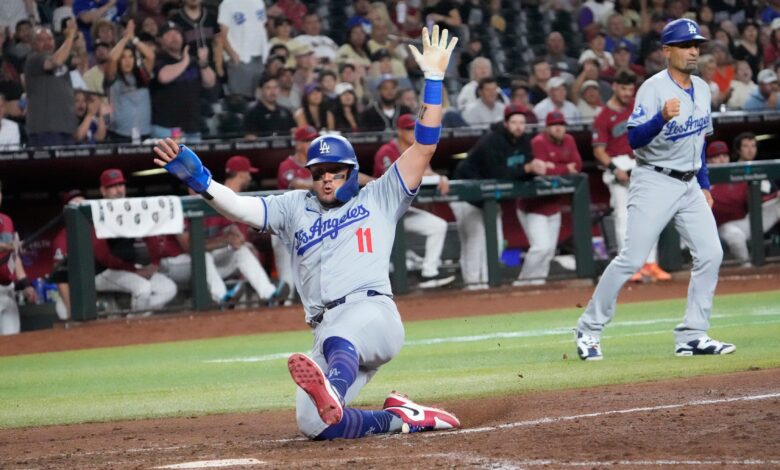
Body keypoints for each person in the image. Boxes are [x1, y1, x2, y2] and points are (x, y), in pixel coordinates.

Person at [154, 25, 461, 440]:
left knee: (339, 340)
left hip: (373, 316)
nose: (326, 179)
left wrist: (435, 81)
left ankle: (332, 387)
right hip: (326, 328)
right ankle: (403, 420)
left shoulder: (380, 196)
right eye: (318, 173)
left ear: (352, 172)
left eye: (335, 171)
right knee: (315, 425)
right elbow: (242, 208)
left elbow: (424, 146)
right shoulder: (295, 206)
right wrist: (204, 183)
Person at [575, 19, 734, 361]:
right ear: (667, 51)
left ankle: (692, 335)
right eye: (686, 45)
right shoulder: (652, 88)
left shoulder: (704, 89)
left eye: (696, 46)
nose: (693, 51)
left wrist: (704, 184)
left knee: (711, 253)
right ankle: (588, 330)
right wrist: (660, 117)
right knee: (632, 258)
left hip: (689, 183)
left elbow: (701, 142)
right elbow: (634, 139)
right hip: (654, 179)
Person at [451, 106, 551, 289]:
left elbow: (524, 169)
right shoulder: (492, 140)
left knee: (496, 241)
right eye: (514, 122)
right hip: (466, 194)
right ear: (506, 123)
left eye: (522, 123)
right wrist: (526, 169)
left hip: (489, 199)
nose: (519, 127)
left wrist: (533, 170)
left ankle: (488, 282)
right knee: (475, 241)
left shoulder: (524, 141)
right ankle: (473, 286)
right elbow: (497, 174)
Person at [591, 70, 670, 282]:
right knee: (624, 219)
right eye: (623, 88)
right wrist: (614, 169)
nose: (627, 93)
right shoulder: (603, 116)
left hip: (641, 163)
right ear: (614, 86)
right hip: (619, 166)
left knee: (651, 215)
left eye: (630, 89)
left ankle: (650, 263)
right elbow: (598, 150)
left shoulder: (639, 105)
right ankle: (629, 267)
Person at [373, 114, 455, 288]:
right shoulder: (386, 151)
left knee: (438, 225)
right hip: (380, 213)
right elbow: (394, 178)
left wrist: (439, 177)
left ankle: (429, 273)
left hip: (403, 211)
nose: (413, 132)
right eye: (409, 129)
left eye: (415, 128)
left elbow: (428, 173)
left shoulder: (419, 150)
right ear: (399, 131)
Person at [203, 156, 288, 306]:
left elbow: (239, 239)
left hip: (224, 257)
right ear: (241, 174)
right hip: (199, 264)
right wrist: (225, 240)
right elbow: (194, 246)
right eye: (248, 173)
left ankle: (269, 295)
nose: (250, 177)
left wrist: (243, 243)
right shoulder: (213, 198)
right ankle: (223, 298)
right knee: (203, 256)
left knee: (242, 250)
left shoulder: (243, 201)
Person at [93, 169, 178, 314]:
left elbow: (151, 237)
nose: (118, 190)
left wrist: (154, 264)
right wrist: (135, 271)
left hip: (129, 269)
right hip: (102, 272)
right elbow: (103, 256)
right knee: (143, 289)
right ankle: (133, 326)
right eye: (112, 186)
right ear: (103, 191)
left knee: (168, 288)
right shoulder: (96, 212)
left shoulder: (132, 209)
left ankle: (134, 319)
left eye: (121, 185)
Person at [514, 111, 582, 286]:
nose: (558, 128)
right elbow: (543, 172)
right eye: (554, 125)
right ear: (547, 127)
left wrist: (556, 167)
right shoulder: (538, 142)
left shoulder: (569, 140)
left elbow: (578, 165)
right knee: (540, 247)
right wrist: (566, 167)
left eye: (561, 124)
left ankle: (538, 284)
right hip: (533, 205)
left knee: (549, 251)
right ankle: (523, 283)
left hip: (554, 204)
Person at [150, 21, 216, 142]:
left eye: (177, 33)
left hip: (192, 127)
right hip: (167, 128)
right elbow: (163, 77)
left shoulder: (193, 60)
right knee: (171, 161)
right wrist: (185, 61)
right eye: (169, 34)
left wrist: (203, 63)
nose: (174, 37)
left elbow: (210, 82)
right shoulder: (158, 59)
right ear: (160, 40)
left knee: (192, 161)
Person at [25, 21, 79, 147]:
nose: (47, 43)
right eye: (40, 40)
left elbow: (81, 58)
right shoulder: (34, 59)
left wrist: (77, 39)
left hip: (66, 128)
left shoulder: (63, 59)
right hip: (45, 129)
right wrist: (70, 37)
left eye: (50, 39)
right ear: (32, 44)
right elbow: (55, 62)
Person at [0, 179, 37, 335]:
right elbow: (9, 247)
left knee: (12, 340)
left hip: (7, 289)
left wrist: (25, 284)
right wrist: (9, 246)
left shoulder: (7, 220)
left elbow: (13, 256)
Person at [217, 0, 268, 99]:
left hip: (259, 57)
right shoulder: (227, 3)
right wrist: (232, 54)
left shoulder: (259, 2)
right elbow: (223, 33)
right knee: (241, 100)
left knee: (258, 98)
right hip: (240, 58)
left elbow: (262, 26)